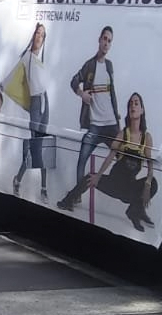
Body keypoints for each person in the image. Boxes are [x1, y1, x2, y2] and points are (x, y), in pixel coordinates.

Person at [58, 93, 156, 231]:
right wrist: (98, 176)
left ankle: (134, 212)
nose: (133, 106)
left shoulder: (146, 138)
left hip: (129, 187)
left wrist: (147, 184)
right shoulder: (123, 134)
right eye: (130, 104)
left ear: (142, 110)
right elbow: (111, 156)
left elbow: (150, 163)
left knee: (154, 183)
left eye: (136, 103)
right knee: (89, 177)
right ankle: (67, 201)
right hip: (114, 183)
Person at [59, 26, 119, 210]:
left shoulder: (109, 66)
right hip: (95, 125)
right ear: (99, 40)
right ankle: (75, 198)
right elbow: (74, 81)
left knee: (122, 156)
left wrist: (117, 117)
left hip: (111, 124)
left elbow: (112, 93)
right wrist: (81, 94)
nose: (106, 43)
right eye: (104, 39)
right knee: (82, 159)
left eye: (109, 41)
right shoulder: (89, 65)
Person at [4, 22, 50, 202]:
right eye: (37, 33)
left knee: (46, 145)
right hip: (36, 102)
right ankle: (19, 179)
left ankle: (43, 187)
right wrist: (4, 84)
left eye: (42, 35)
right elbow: (13, 76)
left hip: (46, 101)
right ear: (33, 36)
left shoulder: (41, 61)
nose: (39, 37)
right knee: (35, 146)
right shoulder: (27, 58)